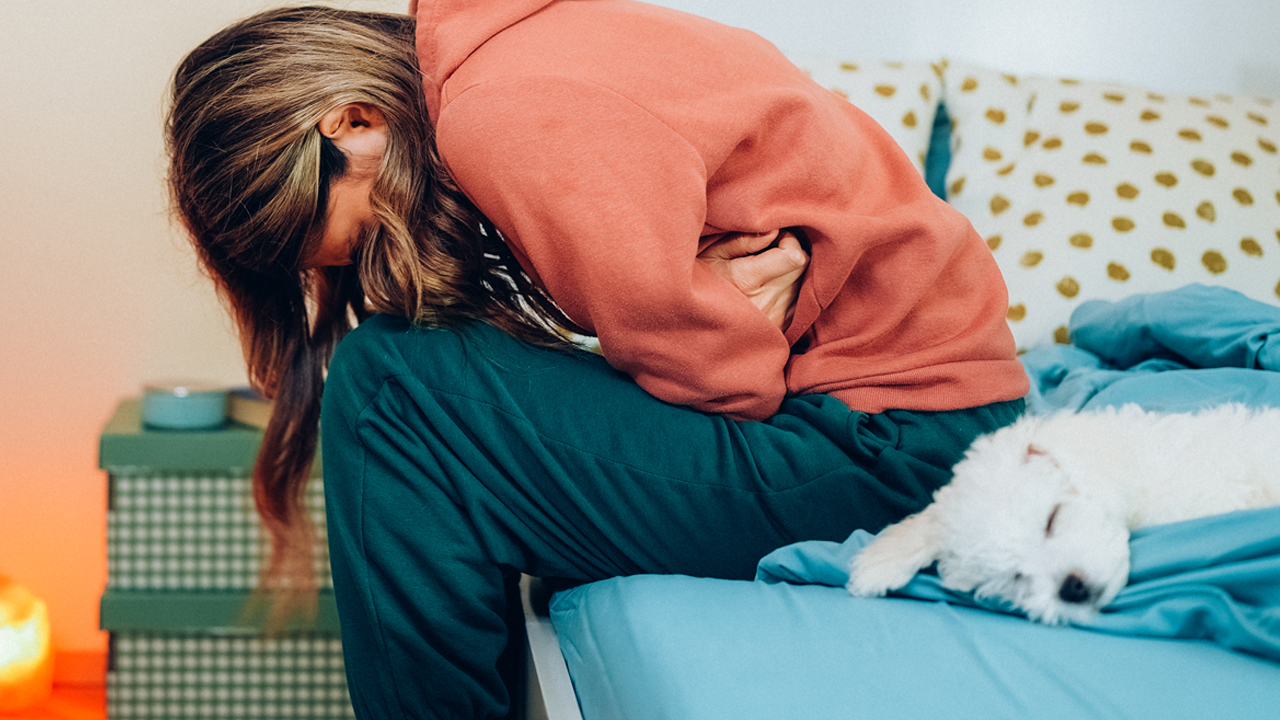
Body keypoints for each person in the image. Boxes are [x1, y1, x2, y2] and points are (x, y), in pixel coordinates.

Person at [166, 2, 1029, 718]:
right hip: (904, 422)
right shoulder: (510, 53)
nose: (359, 264)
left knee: (385, 385)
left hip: (890, 449)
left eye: (344, 240)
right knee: (410, 381)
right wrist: (700, 308)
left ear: (352, 123)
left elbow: (729, 384)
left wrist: (717, 317)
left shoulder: (506, 114)